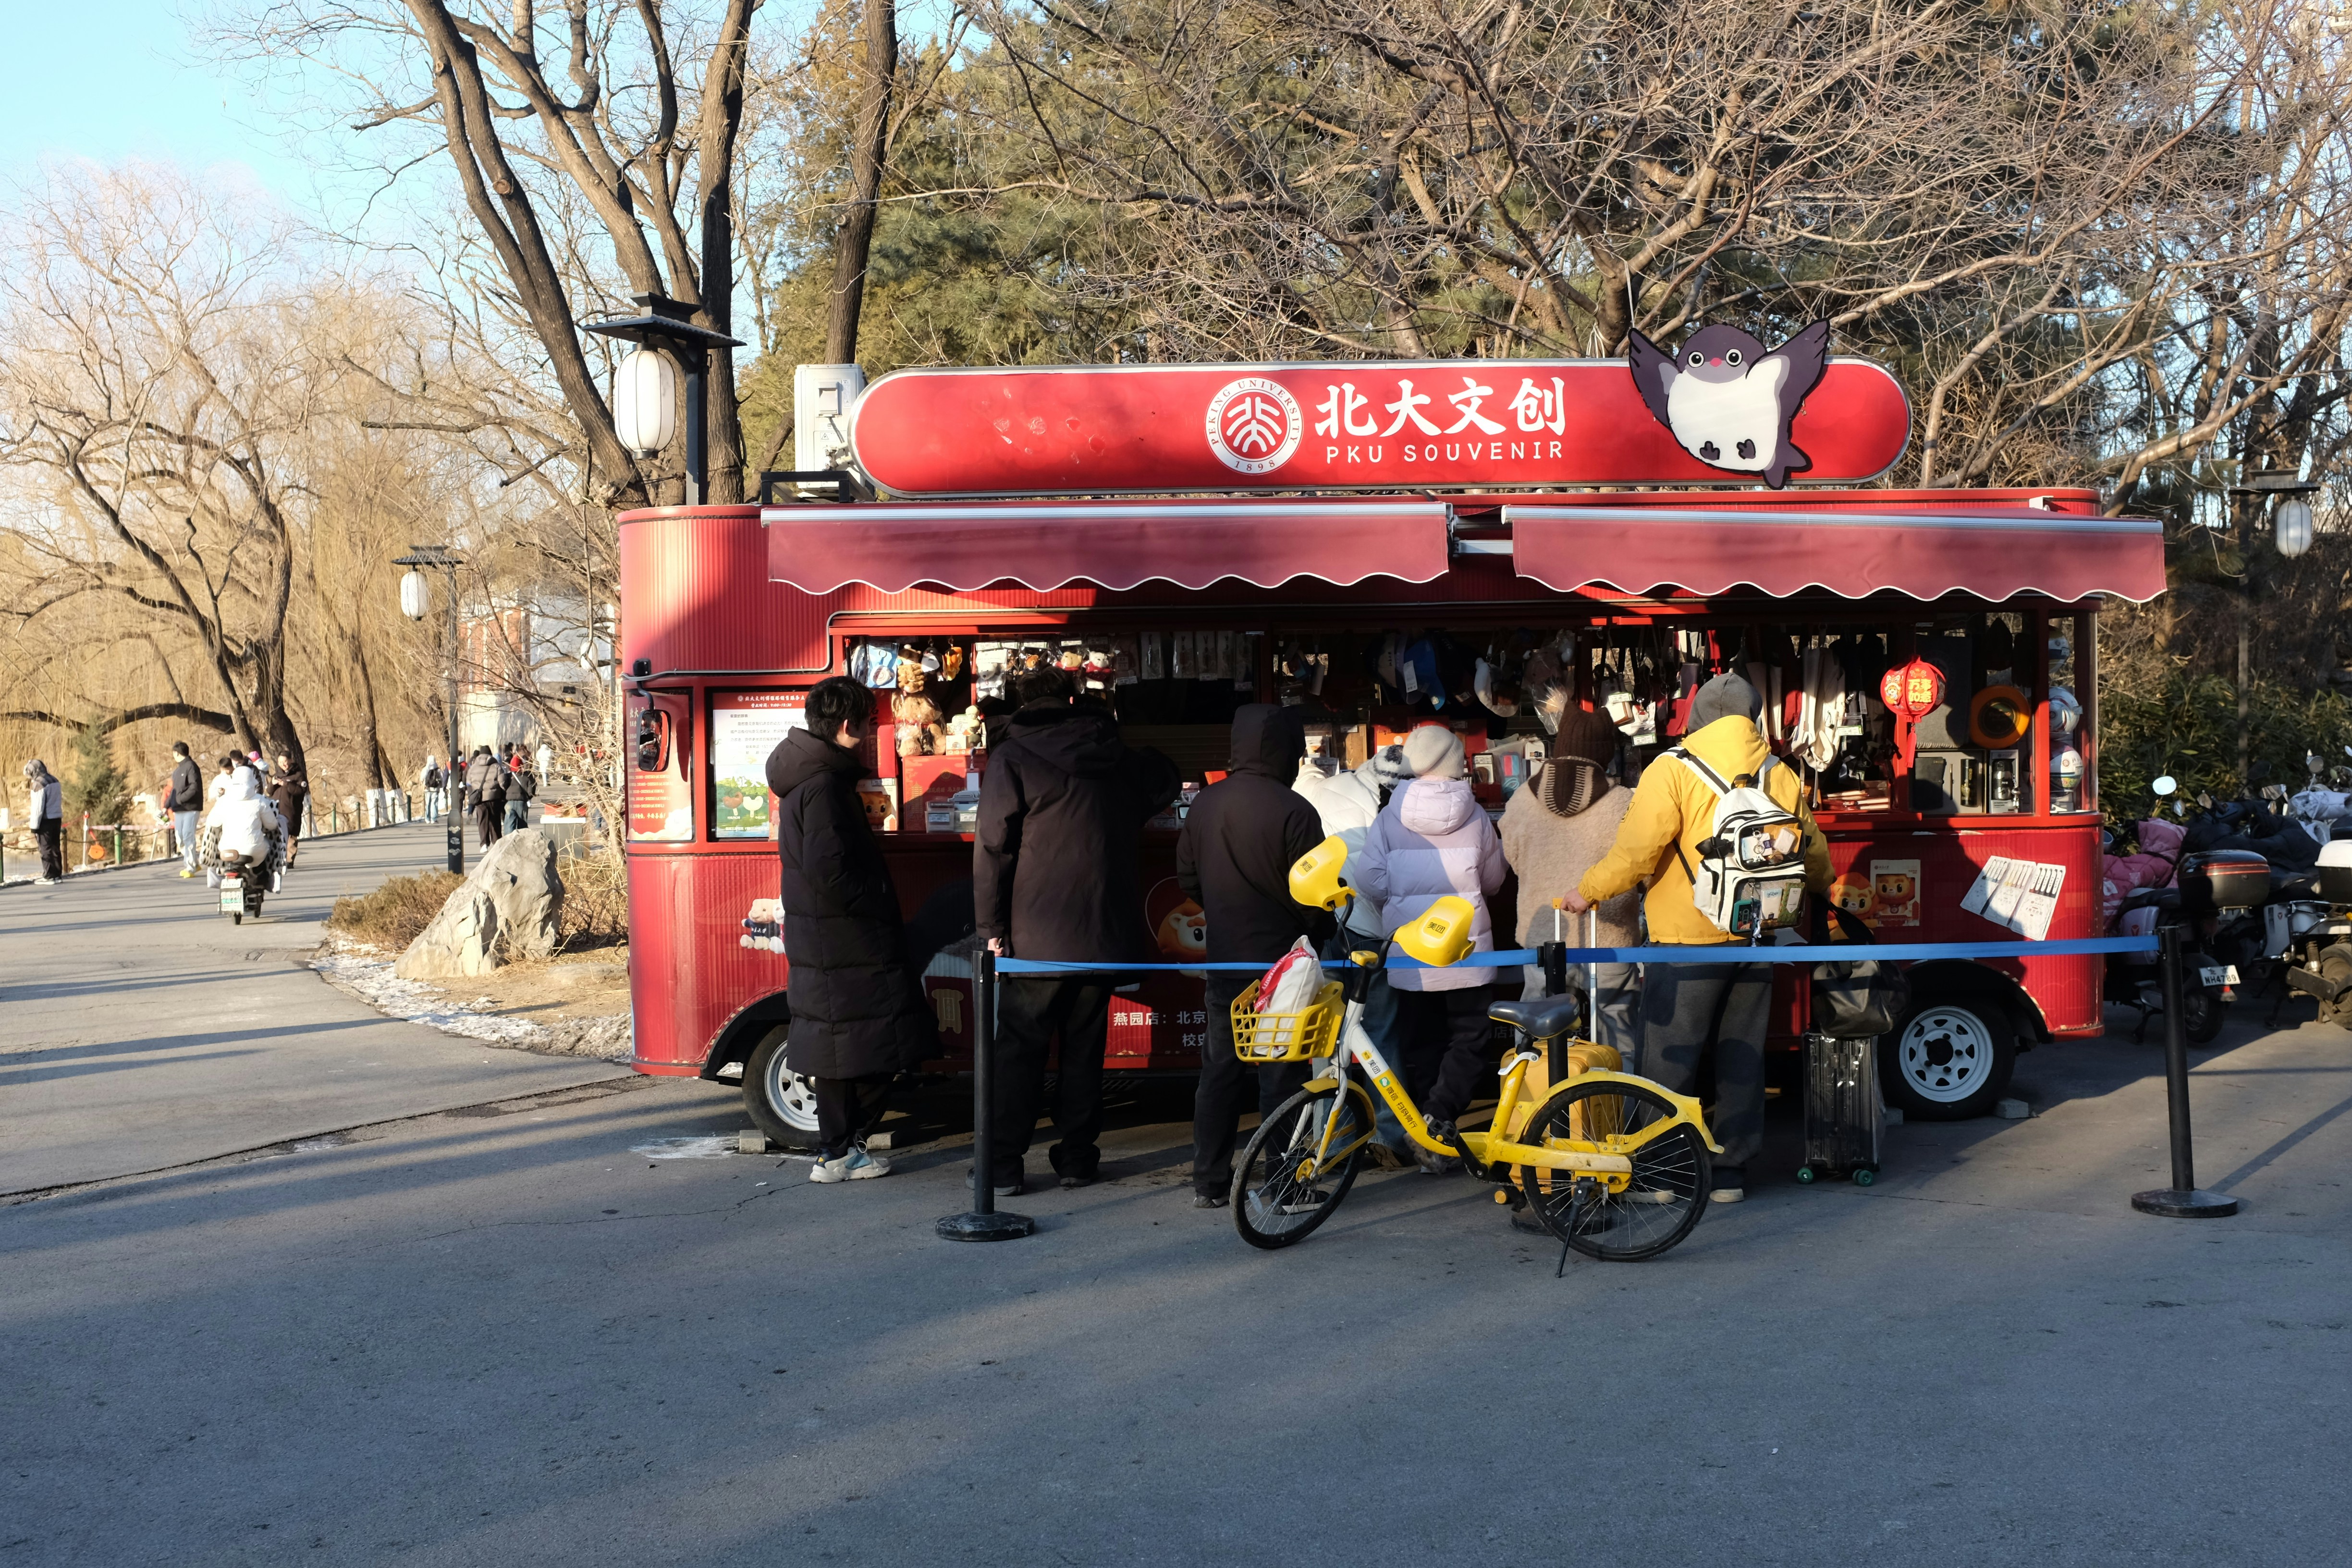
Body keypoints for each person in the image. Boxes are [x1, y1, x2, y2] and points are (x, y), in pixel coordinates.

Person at [1565, 672, 1833, 1204]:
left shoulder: (1673, 768)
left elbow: (1638, 853)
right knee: (1742, 1056)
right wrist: (1823, 892)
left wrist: (1587, 891)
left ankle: (1659, 1175)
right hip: (1757, 935)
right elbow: (1813, 854)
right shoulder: (1778, 772)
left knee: (1669, 1058)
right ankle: (1731, 1173)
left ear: (1698, 718)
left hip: (1685, 942)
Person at [973, 665, 1179, 1195]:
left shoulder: (1012, 756)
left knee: (1020, 1051)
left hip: (1036, 933)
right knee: (1085, 1050)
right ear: (1073, 698)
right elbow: (1163, 778)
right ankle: (1078, 1160)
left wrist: (991, 927)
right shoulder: (1110, 752)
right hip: (1103, 929)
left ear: (1021, 704)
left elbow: (993, 846)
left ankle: (1002, 1167)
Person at [766, 675, 934, 1182]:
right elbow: (831, 870)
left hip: (827, 937)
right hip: (847, 936)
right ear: (847, 725)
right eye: (867, 722)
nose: (868, 733)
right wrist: (879, 900)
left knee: (841, 1047)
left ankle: (837, 1152)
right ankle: (839, 1150)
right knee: (882, 1041)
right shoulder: (824, 786)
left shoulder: (809, 776)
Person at [1179, 705, 1336, 1208]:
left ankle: (1209, 1182)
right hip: (1281, 964)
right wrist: (1315, 931)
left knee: (1219, 1071)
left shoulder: (1205, 804)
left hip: (1225, 960)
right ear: (1287, 752)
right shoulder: (1294, 810)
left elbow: (1187, 879)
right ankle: (1282, 1182)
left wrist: (1224, 913)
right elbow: (1313, 895)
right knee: (1283, 1074)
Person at [1355, 724, 1506, 1173]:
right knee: (1470, 1038)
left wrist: (1400, 903)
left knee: (1420, 1041)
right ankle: (1438, 1118)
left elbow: (1368, 882)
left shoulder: (1389, 815)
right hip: (1465, 950)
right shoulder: (1476, 814)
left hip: (1411, 949)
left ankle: (1426, 1135)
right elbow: (1494, 880)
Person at [1291, 744, 1414, 1164]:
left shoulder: (1326, 791)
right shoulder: (1411, 802)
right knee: (1383, 1033)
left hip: (1331, 928)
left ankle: (1334, 1139)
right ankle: (1390, 1135)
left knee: (1328, 1037)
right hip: (1380, 936)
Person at [1500, 707, 1642, 1057]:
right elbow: (1642, 865)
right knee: (1617, 1033)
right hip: (1609, 939)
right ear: (1605, 753)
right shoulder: (1624, 803)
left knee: (1538, 1033)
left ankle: (1536, 1107)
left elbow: (1513, 860)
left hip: (1542, 936)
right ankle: (1621, 1107)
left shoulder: (1522, 800)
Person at [203, 767, 284, 878]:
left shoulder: (224, 801)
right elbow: (272, 825)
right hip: (253, 850)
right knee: (266, 847)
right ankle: (261, 881)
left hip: (227, 849)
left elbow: (214, 822)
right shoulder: (260, 801)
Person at [166, 741, 205, 878]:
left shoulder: (192, 767)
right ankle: (194, 863)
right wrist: (167, 804)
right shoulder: (177, 771)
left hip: (191, 808)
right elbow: (174, 790)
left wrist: (181, 799)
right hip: (179, 809)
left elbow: (195, 788)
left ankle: (189, 868)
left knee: (188, 836)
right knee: (180, 838)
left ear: (176, 753)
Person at [23, 760, 64, 883]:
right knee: (55, 846)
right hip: (57, 818)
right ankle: (57, 874)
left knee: (45, 848)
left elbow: (38, 807)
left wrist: (34, 827)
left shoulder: (39, 784)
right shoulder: (54, 780)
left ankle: (48, 875)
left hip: (45, 820)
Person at [268, 753, 308, 865]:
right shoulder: (278, 774)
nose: (283, 765)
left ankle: (289, 860)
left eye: (285, 762)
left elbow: (301, 791)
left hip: (291, 810)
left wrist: (286, 785)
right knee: (276, 834)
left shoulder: (298, 775)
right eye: (281, 762)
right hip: (277, 809)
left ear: (291, 760)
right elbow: (269, 792)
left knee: (291, 835)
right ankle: (277, 859)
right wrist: (272, 783)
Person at [468, 747, 505, 848]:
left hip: (480, 798)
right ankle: (497, 842)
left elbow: (469, 781)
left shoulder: (473, 767)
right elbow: (502, 782)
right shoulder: (496, 766)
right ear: (490, 754)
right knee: (495, 819)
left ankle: (484, 843)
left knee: (482, 820)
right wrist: (502, 791)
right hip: (494, 797)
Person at [503, 755, 536, 835]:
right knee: (522, 825)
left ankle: (508, 840)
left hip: (509, 802)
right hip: (522, 802)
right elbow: (531, 791)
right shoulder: (528, 776)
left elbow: (503, 787)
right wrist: (528, 797)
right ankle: (522, 841)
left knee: (509, 824)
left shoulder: (508, 776)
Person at [421, 756, 443, 823]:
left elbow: (421, 778)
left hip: (427, 789)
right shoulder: (438, 770)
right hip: (435, 789)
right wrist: (441, 786)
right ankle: (434, 819)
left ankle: (427, 819)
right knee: (434, 803)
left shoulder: (426, 769)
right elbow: (442, 778)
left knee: (428, 803)